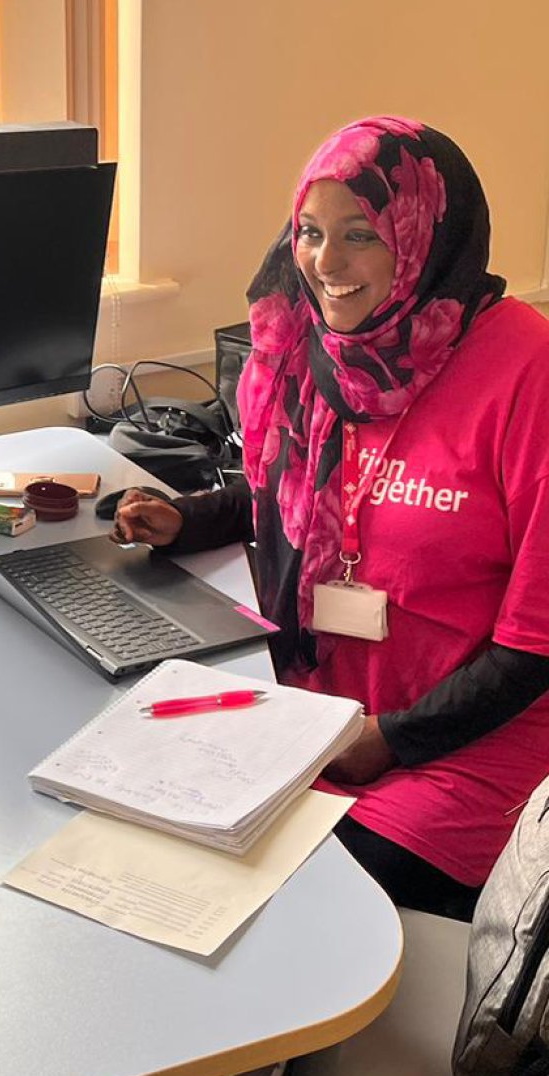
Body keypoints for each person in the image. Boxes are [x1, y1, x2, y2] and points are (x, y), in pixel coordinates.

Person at [112, 116, 549, 924]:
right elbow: (298, 494)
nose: (323, 263)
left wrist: (388, 737)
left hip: (467, 749)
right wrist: (191, 517)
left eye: (360, 234)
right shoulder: (319, 352)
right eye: (309, 232)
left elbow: (536, 647)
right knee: (156, 853)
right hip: (320, 710)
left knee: (299, 912)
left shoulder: (529, 371)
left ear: (422, 235)